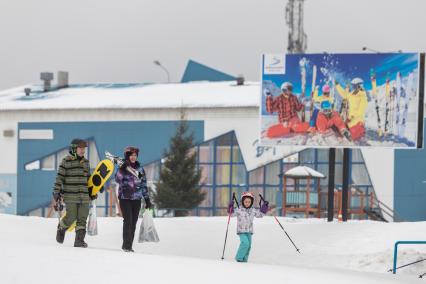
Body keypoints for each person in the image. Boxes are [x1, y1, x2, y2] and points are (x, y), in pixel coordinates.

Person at [53, 138, 97, 248]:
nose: (83, 150)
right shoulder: (66, 161)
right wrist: (56, 192)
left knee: (82, 218)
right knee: (71, 216)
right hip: (71, 195)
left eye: (84, 148)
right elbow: (59, 178)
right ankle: (62, 227)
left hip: (84, 196)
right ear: (74, 148)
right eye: (80, 148)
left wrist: (93, 190)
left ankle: (79, 241)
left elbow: (88, 179)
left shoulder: (86, 162)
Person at [115, 146, 152, 252]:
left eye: (135, 155)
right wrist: (122, 169)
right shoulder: (122, 168)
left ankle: (128, 245)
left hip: (137, 199)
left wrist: (147, 199)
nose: (133, 157)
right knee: (128, 221)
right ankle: (126, 245)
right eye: (131, 155)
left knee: (134, 222)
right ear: (127, 156)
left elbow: (144, 185)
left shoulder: (140, 169)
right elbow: (117, 179)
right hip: (125, 198)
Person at [228, 192, 269, 262]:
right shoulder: (239, 209)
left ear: (251, 202)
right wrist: (230, 207)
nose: (247, 203)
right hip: (241, 230)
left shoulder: (253, 210)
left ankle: (244, 260)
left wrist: (264, 207)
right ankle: (239, 257)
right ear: (242, 201)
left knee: (249, 246)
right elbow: (231, 214)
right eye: (246, 201)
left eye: (249, 202)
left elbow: (260, 215)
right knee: (245, 243)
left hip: (249, 231)